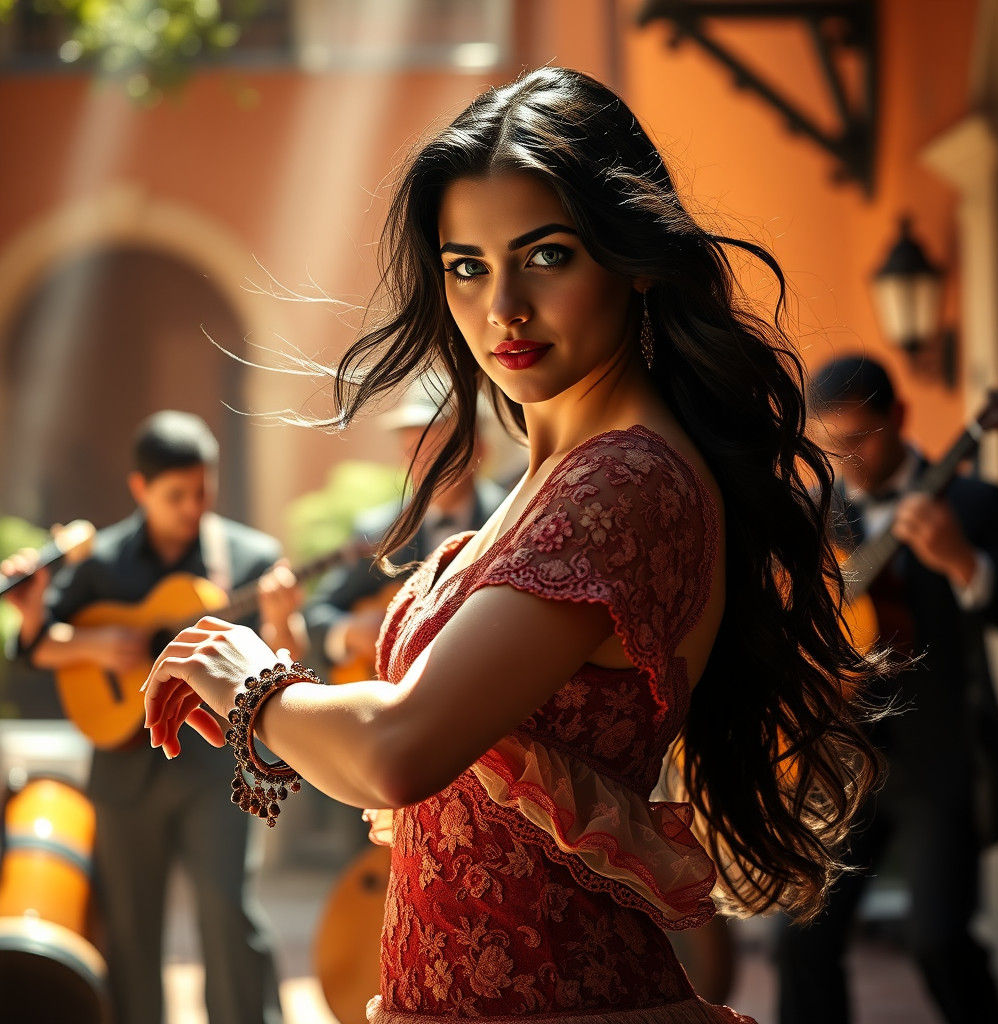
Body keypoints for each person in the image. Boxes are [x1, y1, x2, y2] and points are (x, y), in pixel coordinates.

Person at [142, 67, 883, 1023]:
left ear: (636, 259)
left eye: (547, 256)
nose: (504, 310)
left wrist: (251, 679)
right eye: (468, 267)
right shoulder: (546, 482)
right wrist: (287, 714)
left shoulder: (626, 485)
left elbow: (403, 749)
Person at [2, 410, 284, 1024]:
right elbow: (34, 645)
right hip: (124, 769)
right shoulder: (98, 560)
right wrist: (97, 646)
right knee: (129, 933)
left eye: (202, 490)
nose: (192, 507)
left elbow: (281, 663)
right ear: (140, 489)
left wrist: (284, 618)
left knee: (227, 917)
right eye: (175, 495)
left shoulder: (249, 555)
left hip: (217, 766)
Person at [776, 355, 998, 1024]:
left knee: (938, 940)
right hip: (843, 760)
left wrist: (964, 564)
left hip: (940, 762)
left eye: (860, 439)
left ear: (900, 418)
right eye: (830, 447)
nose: (847, 461)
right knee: (801, 939)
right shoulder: (811, 517)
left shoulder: (972, 504)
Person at [303, 374, 507, 681]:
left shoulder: (513, 522)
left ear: (478, 448)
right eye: (412, 451)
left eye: (436, 448)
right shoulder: (379, 531)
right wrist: (347, 632)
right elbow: (315, 612)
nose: (421, 464)